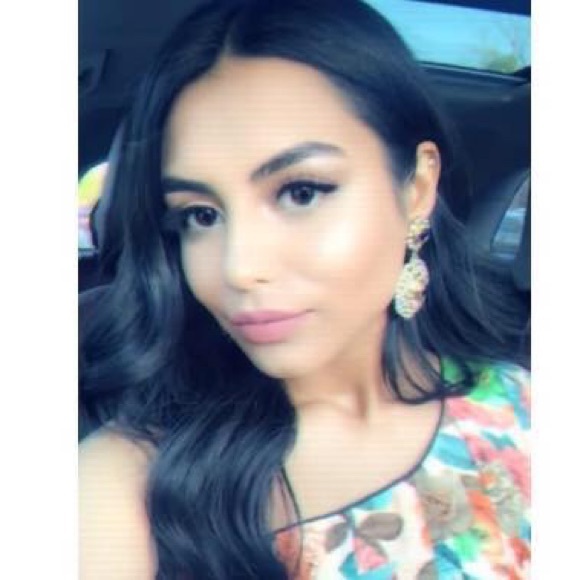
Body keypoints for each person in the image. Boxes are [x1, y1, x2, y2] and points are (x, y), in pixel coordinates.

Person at [78, 0, 531, 578]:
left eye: (301, 192)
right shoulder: (128, 484)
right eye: (200, 215)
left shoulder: (523, 404)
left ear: (417, 188)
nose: (239, 268)